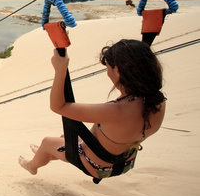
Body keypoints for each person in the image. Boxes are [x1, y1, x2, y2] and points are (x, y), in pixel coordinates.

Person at [18, 39, 166, 179]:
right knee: (66, 138)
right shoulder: (157, 101)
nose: (107, 73)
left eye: (108, 68)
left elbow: (58, 106)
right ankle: (46, 154)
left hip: (98, 166)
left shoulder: (116, 111)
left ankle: (32, 166)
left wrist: (60, 69)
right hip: (125, 160)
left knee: (47, 143)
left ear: (118, 71)